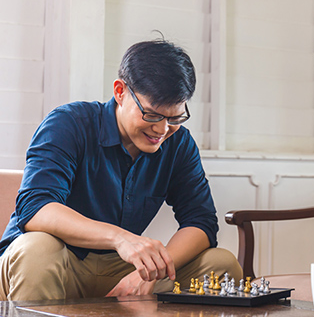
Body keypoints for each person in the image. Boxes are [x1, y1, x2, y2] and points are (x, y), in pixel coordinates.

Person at [0, 39, 242, 301]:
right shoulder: (68, 123)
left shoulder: (179, 143)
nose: (161, 131)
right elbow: (35, 207)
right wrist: (121, 239)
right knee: (39, 247)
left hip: (118, 270)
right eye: (151, 115)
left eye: (174, 118)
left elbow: (201, 222)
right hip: (52, 262)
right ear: (120, 91)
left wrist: (153, 272)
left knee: (221, 264)